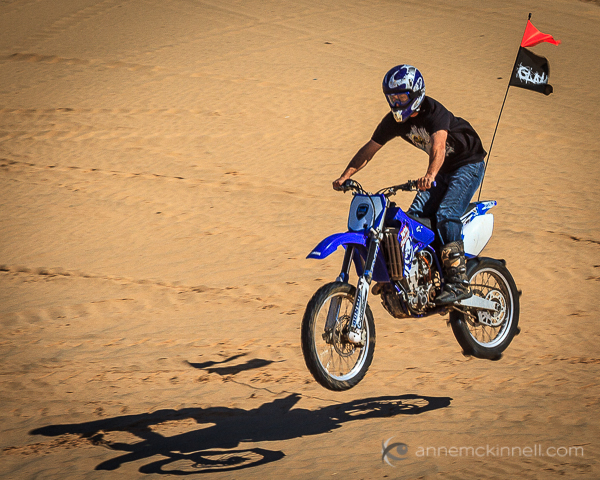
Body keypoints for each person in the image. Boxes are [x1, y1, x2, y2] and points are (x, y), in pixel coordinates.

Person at [332, 64, 486, 305]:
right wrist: (345, 175)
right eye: (392, 97)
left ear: (416, 93)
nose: (396, 102)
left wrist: (430, 174)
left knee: (446, 215)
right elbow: (369, 149)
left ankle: (458, 282)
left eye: (401, 96)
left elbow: (438, 147)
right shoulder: (394, 121)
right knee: (412, 222)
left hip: (467, 164)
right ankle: (420, 275)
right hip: (441, 170)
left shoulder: (435, 113)